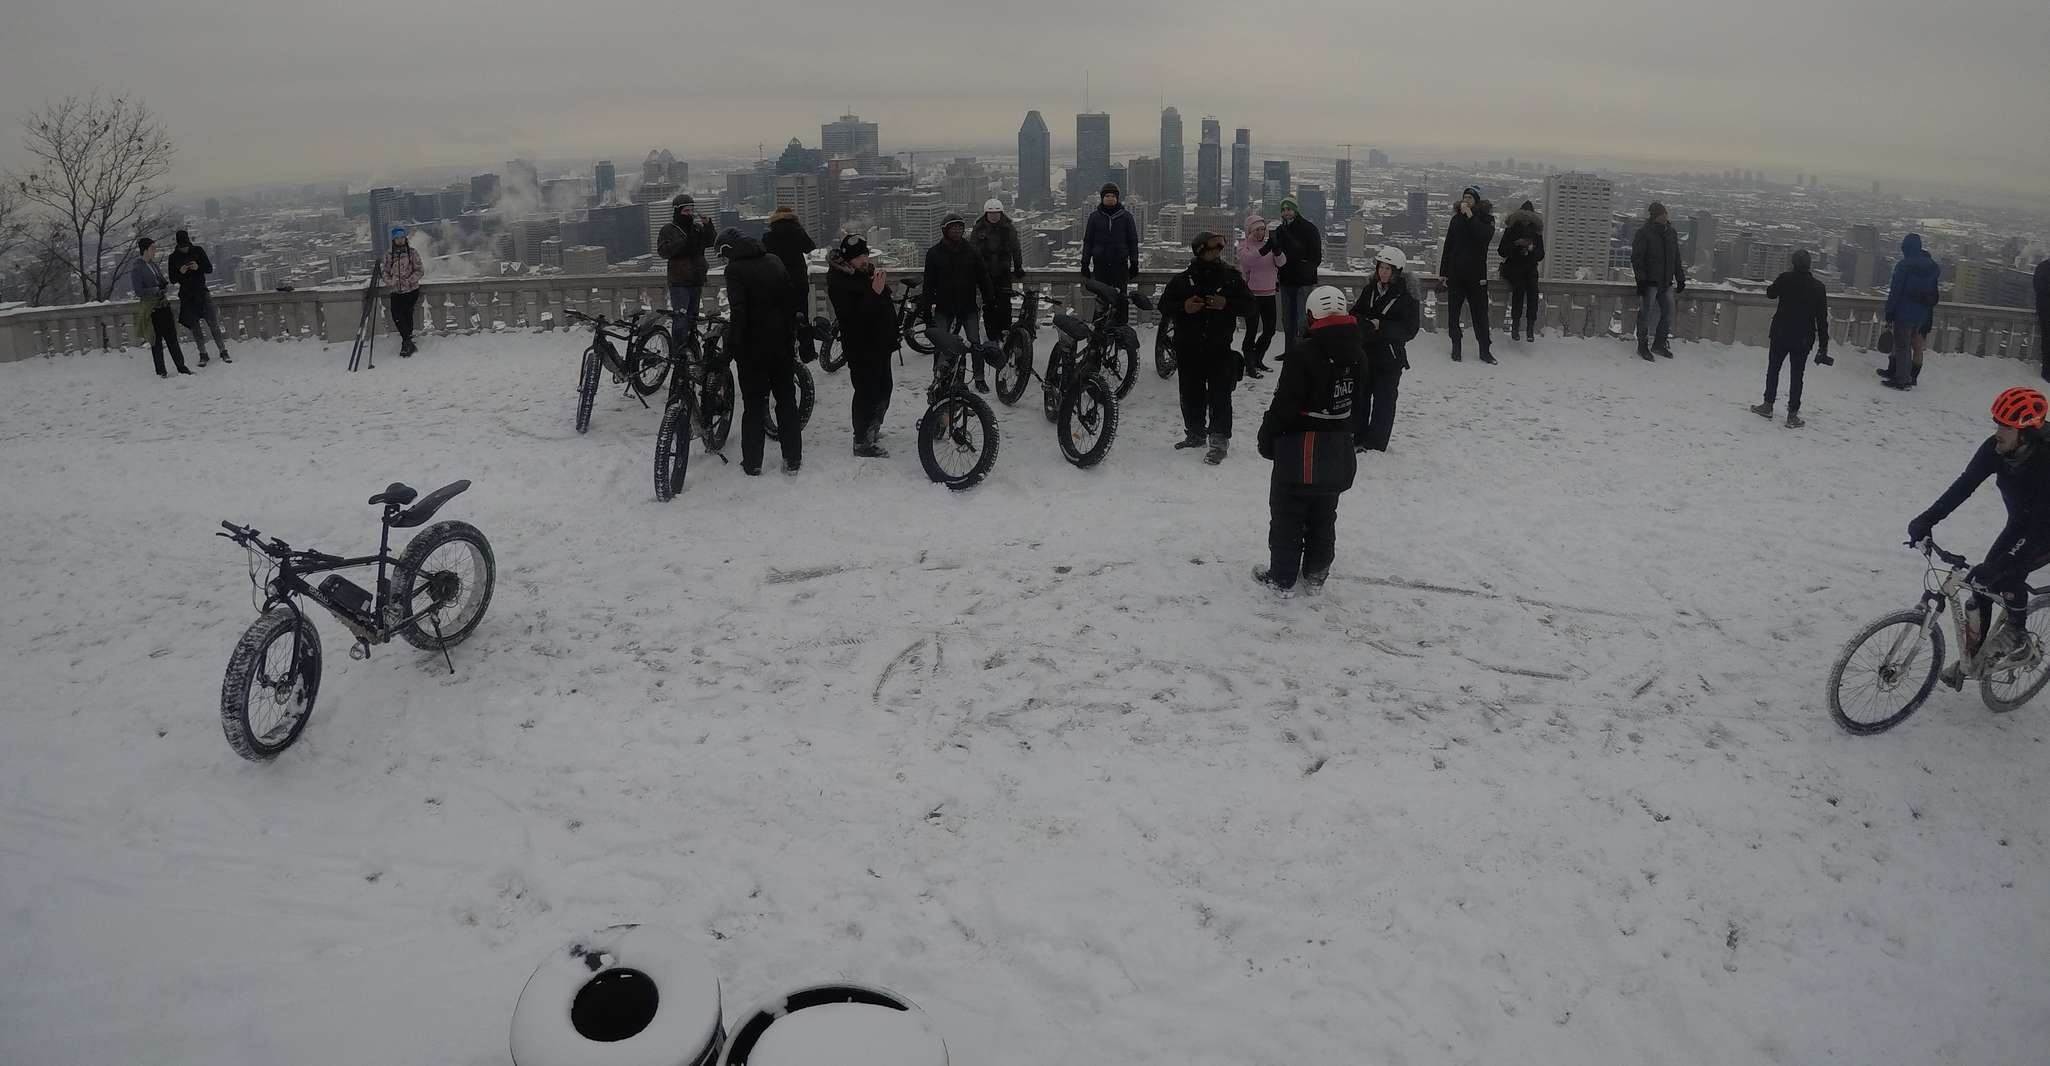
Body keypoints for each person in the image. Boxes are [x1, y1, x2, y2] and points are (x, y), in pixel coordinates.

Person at [1907, 387, 2050, 683]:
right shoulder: (1995, 449)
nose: (1997, 431)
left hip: (2044, 527)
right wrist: (1926, 519)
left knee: (2007, 574)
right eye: (1996, 423)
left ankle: (2018, 637)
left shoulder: (2045, 461)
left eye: (2005, 426)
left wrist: (2004, 565)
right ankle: (1975, 659)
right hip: (2021, 522)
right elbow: (1965, 485)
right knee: (1981, 584)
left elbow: (2038, 527)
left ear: (2025, 434)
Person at [1254, 286, 1364, 595]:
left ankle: (1283, 577)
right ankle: (1317, 570)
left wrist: (1267, 437)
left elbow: (1285, 404)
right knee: (1324, 513)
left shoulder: (1304, 353)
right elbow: (1359, 401)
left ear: (1311, 315)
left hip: (1299, 449)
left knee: (1288, 514)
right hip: (1338, 447)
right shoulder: (1358, 350)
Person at [1162, 231, 1255, 464]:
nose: (1217, 253)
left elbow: (1250, 306)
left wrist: (1227, 304)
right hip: (1188, 348)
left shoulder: (1230, 278)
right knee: (1190, 393)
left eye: (1219, 249)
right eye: (1213, 249)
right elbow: (1164, 305)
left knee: (1220, 396)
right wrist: (1184, 307)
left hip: (1219, 348)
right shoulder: (1182, 280)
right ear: (1200, 250)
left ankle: (1219, 440)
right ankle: (1194, 433)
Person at [719, 228, 802, 476]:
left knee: (753, 406)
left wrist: (732, 347)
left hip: (752, 349)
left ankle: (753, 462)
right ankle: (793, 459)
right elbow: (790, 300)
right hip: (781, 344)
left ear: (727, 250)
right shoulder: (774, 260)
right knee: (786, 401)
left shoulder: (734, 270)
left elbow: (739, 312)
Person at [826, 234, 897, 458]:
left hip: (880, 343)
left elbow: (882, 305)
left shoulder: (865, 273)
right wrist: (875, 292)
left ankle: (872, 429)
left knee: (885, 387)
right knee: (867, 392)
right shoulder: (839, 281)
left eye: (865, 254)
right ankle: (862, 440)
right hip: (861, 346)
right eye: (859, 257)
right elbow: (852, 318)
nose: (864, 260)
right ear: (848, 260)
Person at [1349, 246, 1420, 453]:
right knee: (1361, 397)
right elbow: (1355, 313)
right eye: (1381, 267)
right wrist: (1365, 324)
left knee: (1384, 402)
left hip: (1390, 357)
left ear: (1396, 271)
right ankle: (1358, 436)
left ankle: (1376, 444)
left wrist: (1382, 327)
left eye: (1388, 269)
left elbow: (1410, 329)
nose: (1383, 272)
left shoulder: (1407, 296)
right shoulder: (1370, 289)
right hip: (1366, 354)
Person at [1751, 249, 1830, 428]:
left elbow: (1770, 293)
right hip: (1803, 338)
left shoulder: (1786, 278)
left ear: (1793, 263)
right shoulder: (1818, 287)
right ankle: (1792, 415)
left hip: (1781, 333)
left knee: (1773, 369)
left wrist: (1781, 279)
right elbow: (1822, 319)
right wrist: (1823, 345)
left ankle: (1768, 405)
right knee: (1797, 376)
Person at [924, 213, 997, 392]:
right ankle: (939, 376)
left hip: (968, 306)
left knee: (975, 343)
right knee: (941, 343)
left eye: (960, 227)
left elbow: (983, 277)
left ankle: (979, 378)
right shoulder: (934, 253)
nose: (957, 230)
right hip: (944, 307)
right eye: (953, 227)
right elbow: (928, 283)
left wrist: (990, 299)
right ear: (945, 230)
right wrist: (926, 309)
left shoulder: (971, 251)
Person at [1438, 185, 1497, 364]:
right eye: (1465, 197)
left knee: (1480, 314)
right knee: (1453, 314)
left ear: (1476, 201)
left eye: (1470, 198)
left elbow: (1483, 237)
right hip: (1456, 274)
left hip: (1477, 275)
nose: (1466, 201)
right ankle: (1456, 347)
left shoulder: (1486, 219)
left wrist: (1471, 217)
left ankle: (1485, 350)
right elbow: (1448, 246)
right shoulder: (1456, 220)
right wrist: (1444, 272)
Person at [1881, 233, 1942, 390]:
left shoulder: (1904, 266)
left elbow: (1895, 291)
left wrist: (1889, 311)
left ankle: (1901, 378)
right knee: (1909, 345)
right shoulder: (1931, 267)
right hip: (1921, 313)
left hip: (1903, 311)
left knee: (1902, 345)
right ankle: (1901, 375)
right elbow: (1933, 292)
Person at [1265, 197, 1323, 356]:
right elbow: (1272, 253)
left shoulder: (1309, 229)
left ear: (1295, 210)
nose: (1286, 212)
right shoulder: (1279, 231)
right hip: (1286, 281)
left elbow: (1316, 256)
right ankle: (1289, 351)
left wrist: (1303, 270)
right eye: (1283, 210)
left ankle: (1302, 353)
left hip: (1304, 282)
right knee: (1287, 320)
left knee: (1302, 320)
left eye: (1289, 209)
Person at [1630, 202, 1686, 361]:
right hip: (1650, 282)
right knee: (1645, 315)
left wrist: (1680, 278)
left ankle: (1659, 344)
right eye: (1662, 214)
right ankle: (1642, 346)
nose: (1665, 216)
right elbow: (1637, 259)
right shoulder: (1644, 233)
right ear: (1655, 216)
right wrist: (1640, 281)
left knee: (1668, 314)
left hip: (1666, 282)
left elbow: (1676, 258)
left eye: (1665, 213)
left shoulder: (1671, 233)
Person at [762, 205, 818, 363]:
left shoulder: (768, 235)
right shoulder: (797, 231)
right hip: (798, 280)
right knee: (802, 316)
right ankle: (807, 352)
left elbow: (763, 254)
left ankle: (785, 350)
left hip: (777, 280)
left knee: (781, 317)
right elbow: (810, 247)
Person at [657, 194, 718, 338]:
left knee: (692, 319)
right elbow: (663, 251)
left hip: (696, 280)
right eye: (686, 211)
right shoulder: (668, 229)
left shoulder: (696, 228)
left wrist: (708, 225)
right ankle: (679, 353)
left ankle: (692, 348)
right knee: (680, 320)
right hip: (680, 283)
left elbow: (712, 241)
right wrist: (684, 242)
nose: (689, 214)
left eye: (691, 211)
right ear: (677, 212)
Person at [130, 237, 191, 377]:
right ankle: (161, 371)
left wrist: (164, 285)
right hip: (152, 309)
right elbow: (139, 291)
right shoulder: (137, 268)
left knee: (172, 338)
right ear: (145, 250)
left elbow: (161, 280)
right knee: (156, 341)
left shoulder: (153, 264)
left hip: (163, 305)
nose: (154, 251)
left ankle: (181, 367)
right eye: (152, 248)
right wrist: (155, 290)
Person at [168, 229, 230, 365]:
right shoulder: (173, 258)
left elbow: (209, 268)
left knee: (213, 323)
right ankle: (202, 353)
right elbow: (172, 279)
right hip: (186, 295)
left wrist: (198, 267)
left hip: (202, 291)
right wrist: (180, 272)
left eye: (186, 246)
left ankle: (223, 350)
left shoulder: (198, 250)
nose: (184, 249)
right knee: (195, 327)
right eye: (182, 247)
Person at [1080, 183, 1139, 324]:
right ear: (1102, 198)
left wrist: (1134, 263)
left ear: (1117, 198)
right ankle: (1097, 335)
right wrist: (1085, 264)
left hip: (1120, 267)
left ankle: (1121, 333)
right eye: (1107, 196)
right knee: (1101, 300)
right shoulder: (1094, 217)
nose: (1110, 198)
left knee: (1121, 300)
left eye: (1113, 196)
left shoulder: (1126, 217)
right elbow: (1088, 241)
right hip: (1100, 267)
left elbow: (1133, 241)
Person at [1236, 212, 1284, 378]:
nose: (1260, 233)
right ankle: (1249, 364)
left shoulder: (1268, 246)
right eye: (1256, 230)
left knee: (1269, 330)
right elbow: (1247, 261)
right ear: (1249, 231)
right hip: (1252, 295)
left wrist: (1277, 251)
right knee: (1251, 331)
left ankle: (1257, 358)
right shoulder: (1244, 246)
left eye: (1262, 229)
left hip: (1269, 293)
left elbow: (1282, 263)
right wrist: (1265, 249)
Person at [971, 198, 1025, 342]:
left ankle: (1005, 331)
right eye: (991, 213)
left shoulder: (1008, 228)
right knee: (989, 304)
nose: (994, 216)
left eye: (996, 213)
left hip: (1003, 272)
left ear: (1001, 213)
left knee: (1005, 303)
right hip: (985, 273)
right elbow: (973, 251)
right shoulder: (979, 229)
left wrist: (1018, 266)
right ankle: (992, 334)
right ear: (986, 214)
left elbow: (1016, 248)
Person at [1497, 200, 1545, 341]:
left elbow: (1541, 254)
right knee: (1518, 294)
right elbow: (1502, 251)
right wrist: (1516, 244)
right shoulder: (1511, 230)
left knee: (1533, 296)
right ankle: (1516, 326)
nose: (1525, 220)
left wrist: (1532, 249)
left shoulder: (1536, 233)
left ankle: (1530, 327)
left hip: (1529, 268)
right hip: (1514, 268)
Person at [381, 227, 424, 357]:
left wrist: (410, 280)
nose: (400, 240)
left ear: (405, 238)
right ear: (394, 240)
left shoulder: (412, 253)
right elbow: (385, 272)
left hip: (411, 290)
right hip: (396, 290)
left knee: (407, 314)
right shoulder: (389, 255)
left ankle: (406, 343)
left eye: (402, 238)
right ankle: (407, 341)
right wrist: (390, 281)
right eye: (397, 238)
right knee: (396, 315)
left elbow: (420, 270)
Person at [2035, 257, 2050, 382]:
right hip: (2046, 311)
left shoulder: (2041, 266)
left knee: (2046, 342)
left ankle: (2046, 372)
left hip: (2043, 310)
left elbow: (2037, 287)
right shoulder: (2044, 268)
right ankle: (2047, 372)